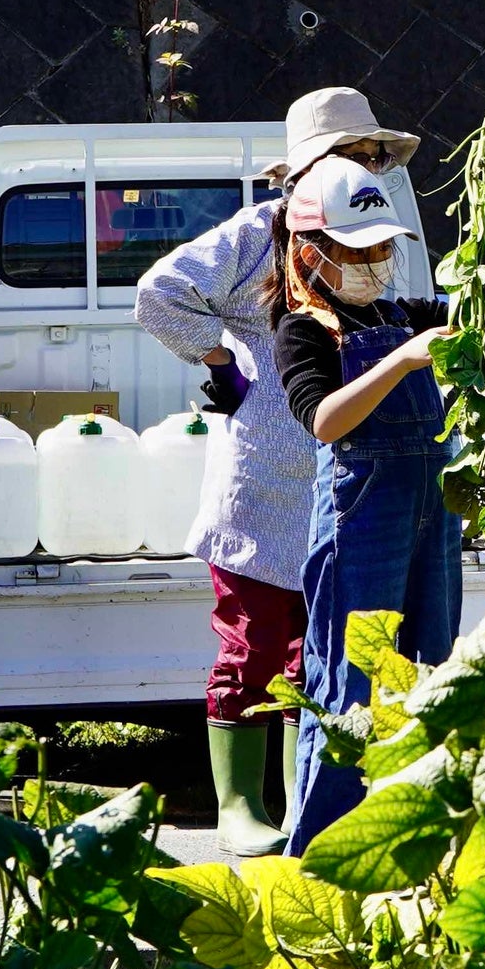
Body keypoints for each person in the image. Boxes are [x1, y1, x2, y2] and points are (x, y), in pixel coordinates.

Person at [134, 87, 429, 854]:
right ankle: (238, 802)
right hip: (266, 474)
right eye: (358, 154)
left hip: (343, 477)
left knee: (322, 651)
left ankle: (308, 801)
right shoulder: (253, 238)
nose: (370, 167)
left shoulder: (367, 232)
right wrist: (221, 357)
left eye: (375, 156)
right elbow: (158, 292)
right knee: (254, 641)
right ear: (310, 166)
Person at [272, 153, 468, 850]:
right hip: (362, 520)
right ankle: (321, 858)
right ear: (309, 251)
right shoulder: (302, 328)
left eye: (383, 245)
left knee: (434, 674)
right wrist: (405, 359)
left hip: (433, 516)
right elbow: (323, 418)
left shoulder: (398, 309)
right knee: (349, 691)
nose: (377, 258)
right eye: (358, 248)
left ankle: (423, 852)